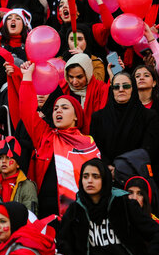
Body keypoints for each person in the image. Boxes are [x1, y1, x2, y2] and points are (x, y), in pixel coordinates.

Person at [9, 62, 100, 218]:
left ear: (76, 115)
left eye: (65, 108)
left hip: (77, 213)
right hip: (45, 210)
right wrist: (27, 77)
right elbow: (27, 111)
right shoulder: (45, 135)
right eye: (56, 108)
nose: (58, 110)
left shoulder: (88, 143)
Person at [57, 158, 159, 255]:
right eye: (85, 176)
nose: (89, 181)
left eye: (95, 176)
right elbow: (63, 243)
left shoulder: (124, 203)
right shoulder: (75, 209)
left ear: (105, 179)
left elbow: (157, 233)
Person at [90, 71, 159, 172]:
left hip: (136, 173)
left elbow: (148, 149)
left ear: (133, 89)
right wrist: (107, 166)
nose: (121, 90)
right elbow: (95, 147)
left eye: (126, 86)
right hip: (106, 173)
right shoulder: (98, 117)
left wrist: (121, 168)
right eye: (116, 87)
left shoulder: (148, 116)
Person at [0, 136, 38, 213]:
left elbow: (31, 215)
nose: (3, 161)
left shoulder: (27, 186)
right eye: (0, 158)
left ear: (18, 164)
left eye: (8, 157)